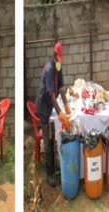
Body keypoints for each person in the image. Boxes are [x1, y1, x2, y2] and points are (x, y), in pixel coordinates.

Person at [35, 42, 71, 187]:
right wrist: (60, 112)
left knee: (53, 137)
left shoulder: (58, 67)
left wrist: (67, 105)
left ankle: (55, 164)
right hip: (44, 108)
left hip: (51, 106)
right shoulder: (50, 69)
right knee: (48, 139)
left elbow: (61, 88)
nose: (60, 61)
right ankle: (49, 173)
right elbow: (51, 95)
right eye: (59, 57)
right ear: (55, 56)